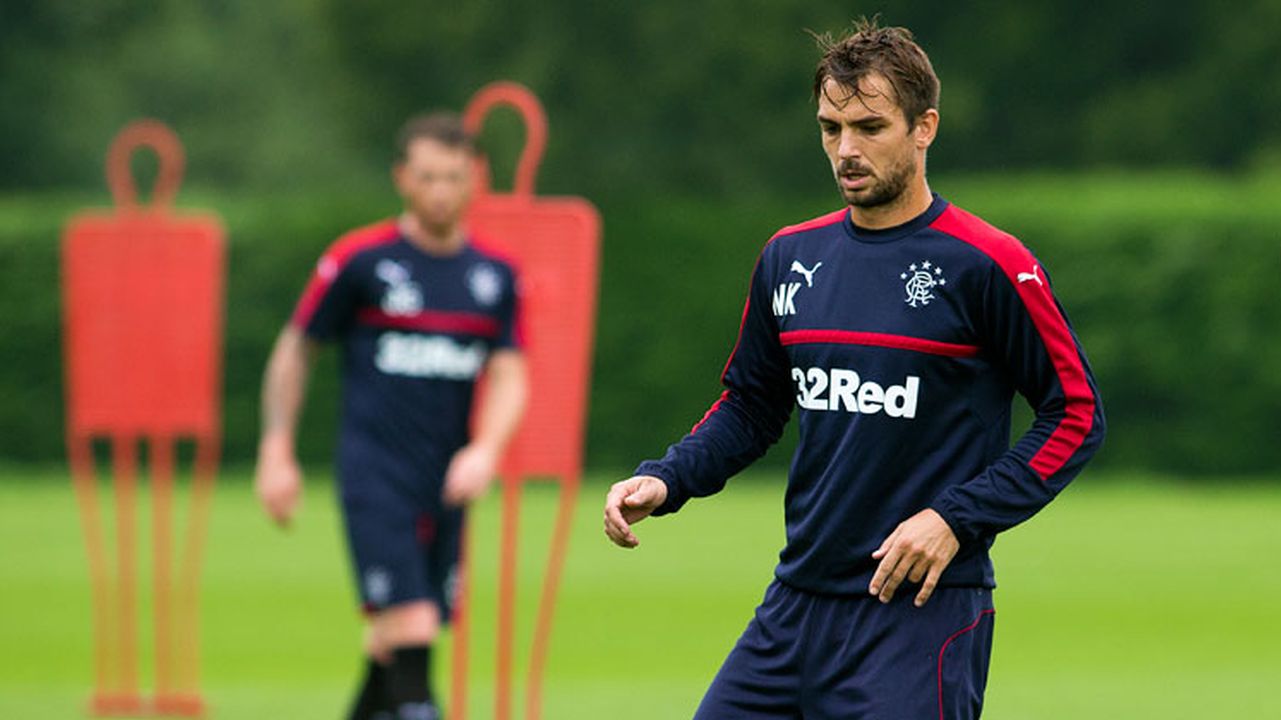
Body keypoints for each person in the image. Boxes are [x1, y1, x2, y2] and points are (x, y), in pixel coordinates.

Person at [603, 18, 1105, 719]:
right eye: (830, 128)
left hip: (921, 615)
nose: (846, 149)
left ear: (924, 128)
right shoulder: (789, 257)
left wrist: (955, 518)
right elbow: (752, 405)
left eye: (869, 127)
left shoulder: (988, 264)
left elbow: (1075, 412)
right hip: (793, 609)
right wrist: (669, 477)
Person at [255, 112, 528, 720]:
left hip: (446, 484)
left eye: (453, 177)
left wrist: (485, 450)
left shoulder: (495, 276)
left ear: (476, 178)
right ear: (402, 177)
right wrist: (276, 450)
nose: (440, 192)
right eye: (427, 177)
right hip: (375, 477)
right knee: (413, 626)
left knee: (390, 643)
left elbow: (511, 372)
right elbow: (297, 349)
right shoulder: (361, 261)